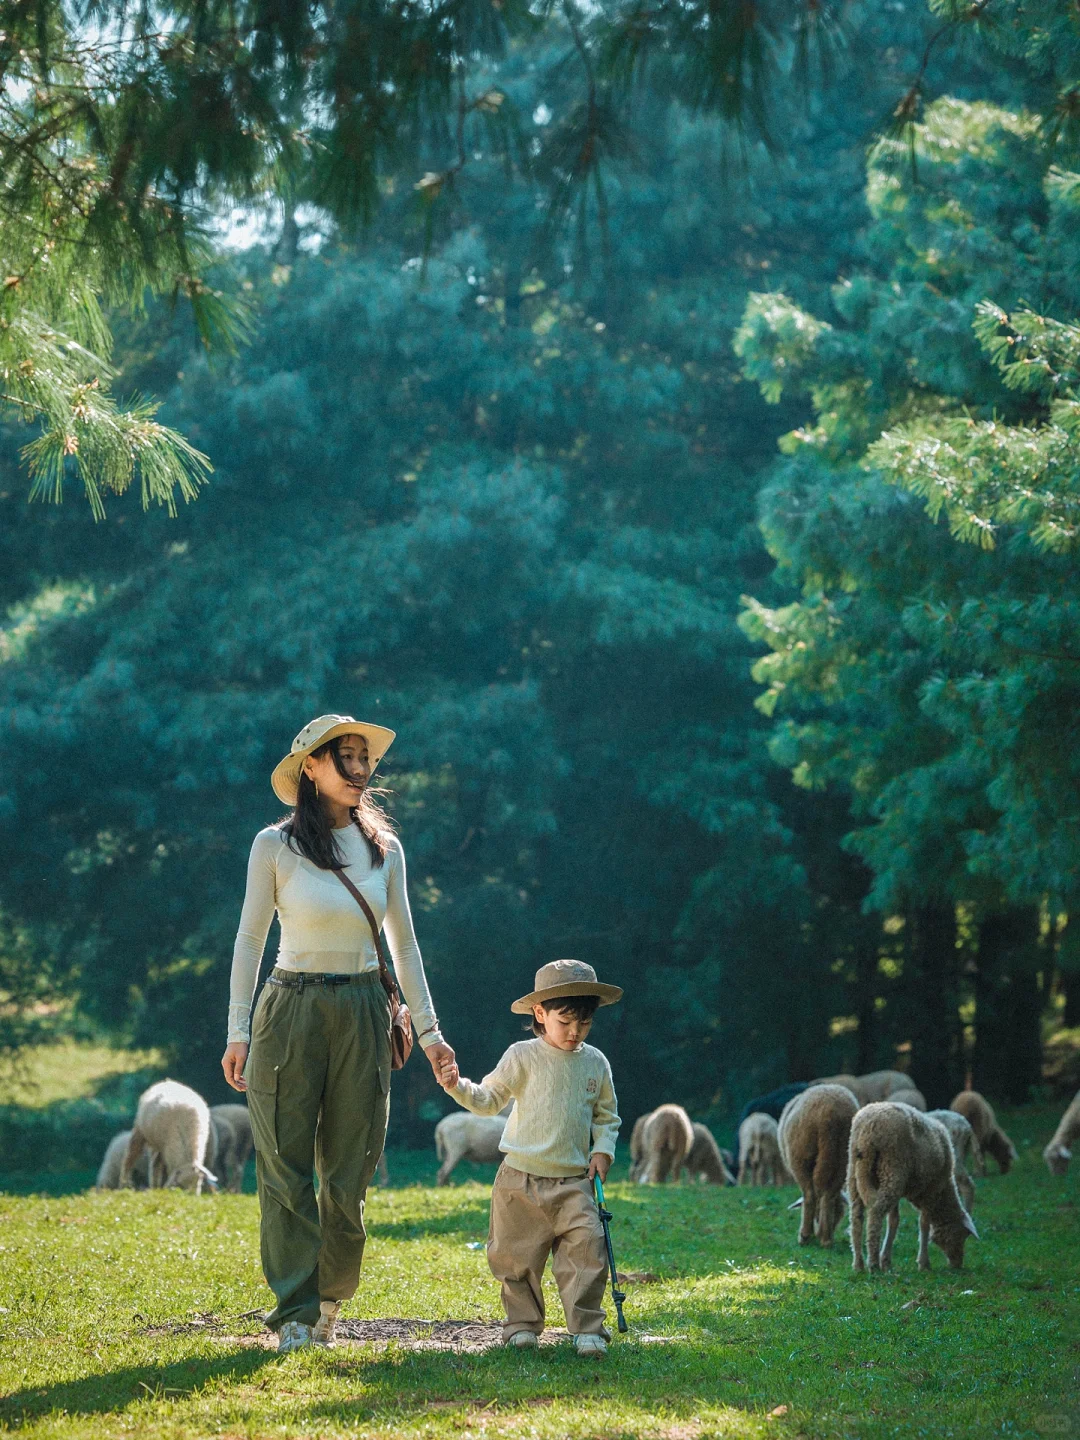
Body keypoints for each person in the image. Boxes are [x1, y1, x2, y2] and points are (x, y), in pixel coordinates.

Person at [221, 713, 457, 1354]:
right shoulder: (273, 846)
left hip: (362, 1014)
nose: (360, 769)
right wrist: (238, 1028)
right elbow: (249, 939)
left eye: (364, 757)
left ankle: (329, 1302)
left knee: (349, 1171)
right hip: (288, 1009)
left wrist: (431, 1032)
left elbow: (404, 946)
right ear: (311, 770)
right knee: (285, 1168)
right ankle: (295, 1313)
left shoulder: (386, 850)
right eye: (344, 757)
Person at [440, 958, 622, 1358]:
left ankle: (587, 1328)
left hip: (575, 1180)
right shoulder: (522, 1056)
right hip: (519, 1180)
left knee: (587, 1249)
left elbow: (607, 1115)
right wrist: (458, 1086)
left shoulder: (595, 1063)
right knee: (514, 1255)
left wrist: (603, 1149)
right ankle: (521, 1325)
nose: (575, 1032)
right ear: (541, 1013)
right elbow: (489, 1100)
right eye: (566, 1022)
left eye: (585, 1024)